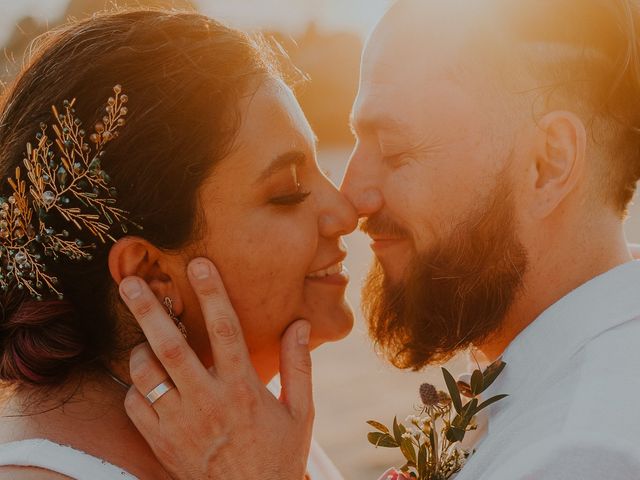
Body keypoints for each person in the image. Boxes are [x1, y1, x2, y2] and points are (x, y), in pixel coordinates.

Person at [123, 0, 640, 479]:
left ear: (547, 164)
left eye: (393, 150)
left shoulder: (581, 454)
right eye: (355, 142)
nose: (351, 199)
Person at [0, 8, 356, 479]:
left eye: (321, 169)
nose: (346, 212)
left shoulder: (241, 429)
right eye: (289, 189)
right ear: (148, 274)